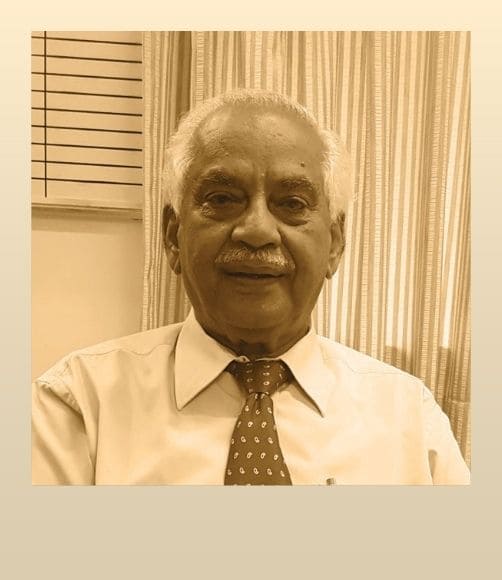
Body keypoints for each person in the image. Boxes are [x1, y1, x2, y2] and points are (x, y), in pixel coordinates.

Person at [32, 90, 470, 485]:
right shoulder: (79, 407)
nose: (258, 230)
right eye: (222, 199)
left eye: (292, 203)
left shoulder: (411, 420)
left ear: (335, 243)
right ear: (172, 236)